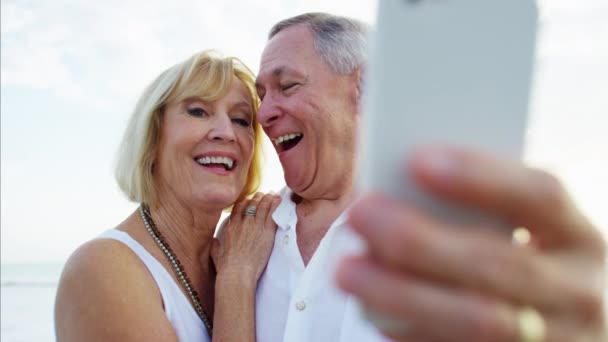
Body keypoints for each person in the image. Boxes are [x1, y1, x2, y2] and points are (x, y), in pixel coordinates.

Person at [254, 12, 607, 342]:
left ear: (362, 86)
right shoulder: (246, 235)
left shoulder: (458, 244)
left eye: (287, 86)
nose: (263, 112)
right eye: (261, 95)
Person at [54, 50, 281, 341]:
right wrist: (236, 281)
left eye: (240, 119)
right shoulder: (101, 268)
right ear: (152, 136)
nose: (226, 133)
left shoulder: (246, 253)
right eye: (198, 111)